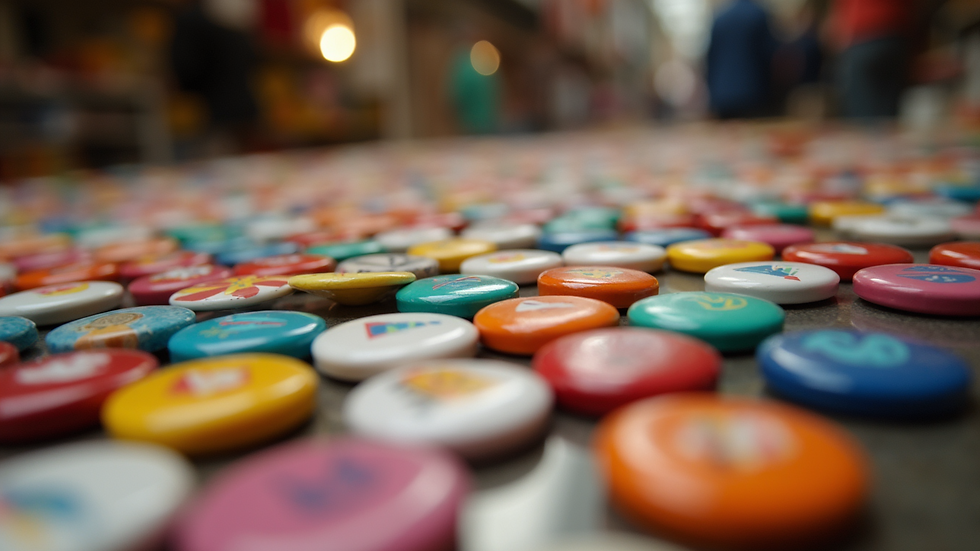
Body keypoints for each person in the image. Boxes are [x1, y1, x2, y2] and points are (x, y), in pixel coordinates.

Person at [828, 0, 917, 119]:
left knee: (863, 116)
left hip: (864, 37)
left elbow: (838, 17)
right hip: (896, 37)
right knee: (888, 112)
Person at [705, 0, 779, 119]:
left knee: (727, 135)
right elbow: (768, 55)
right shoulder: (759, 15)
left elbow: (711, 60)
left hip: (722, 94)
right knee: (754, 135)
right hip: (753, 91)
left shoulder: (719, 18)